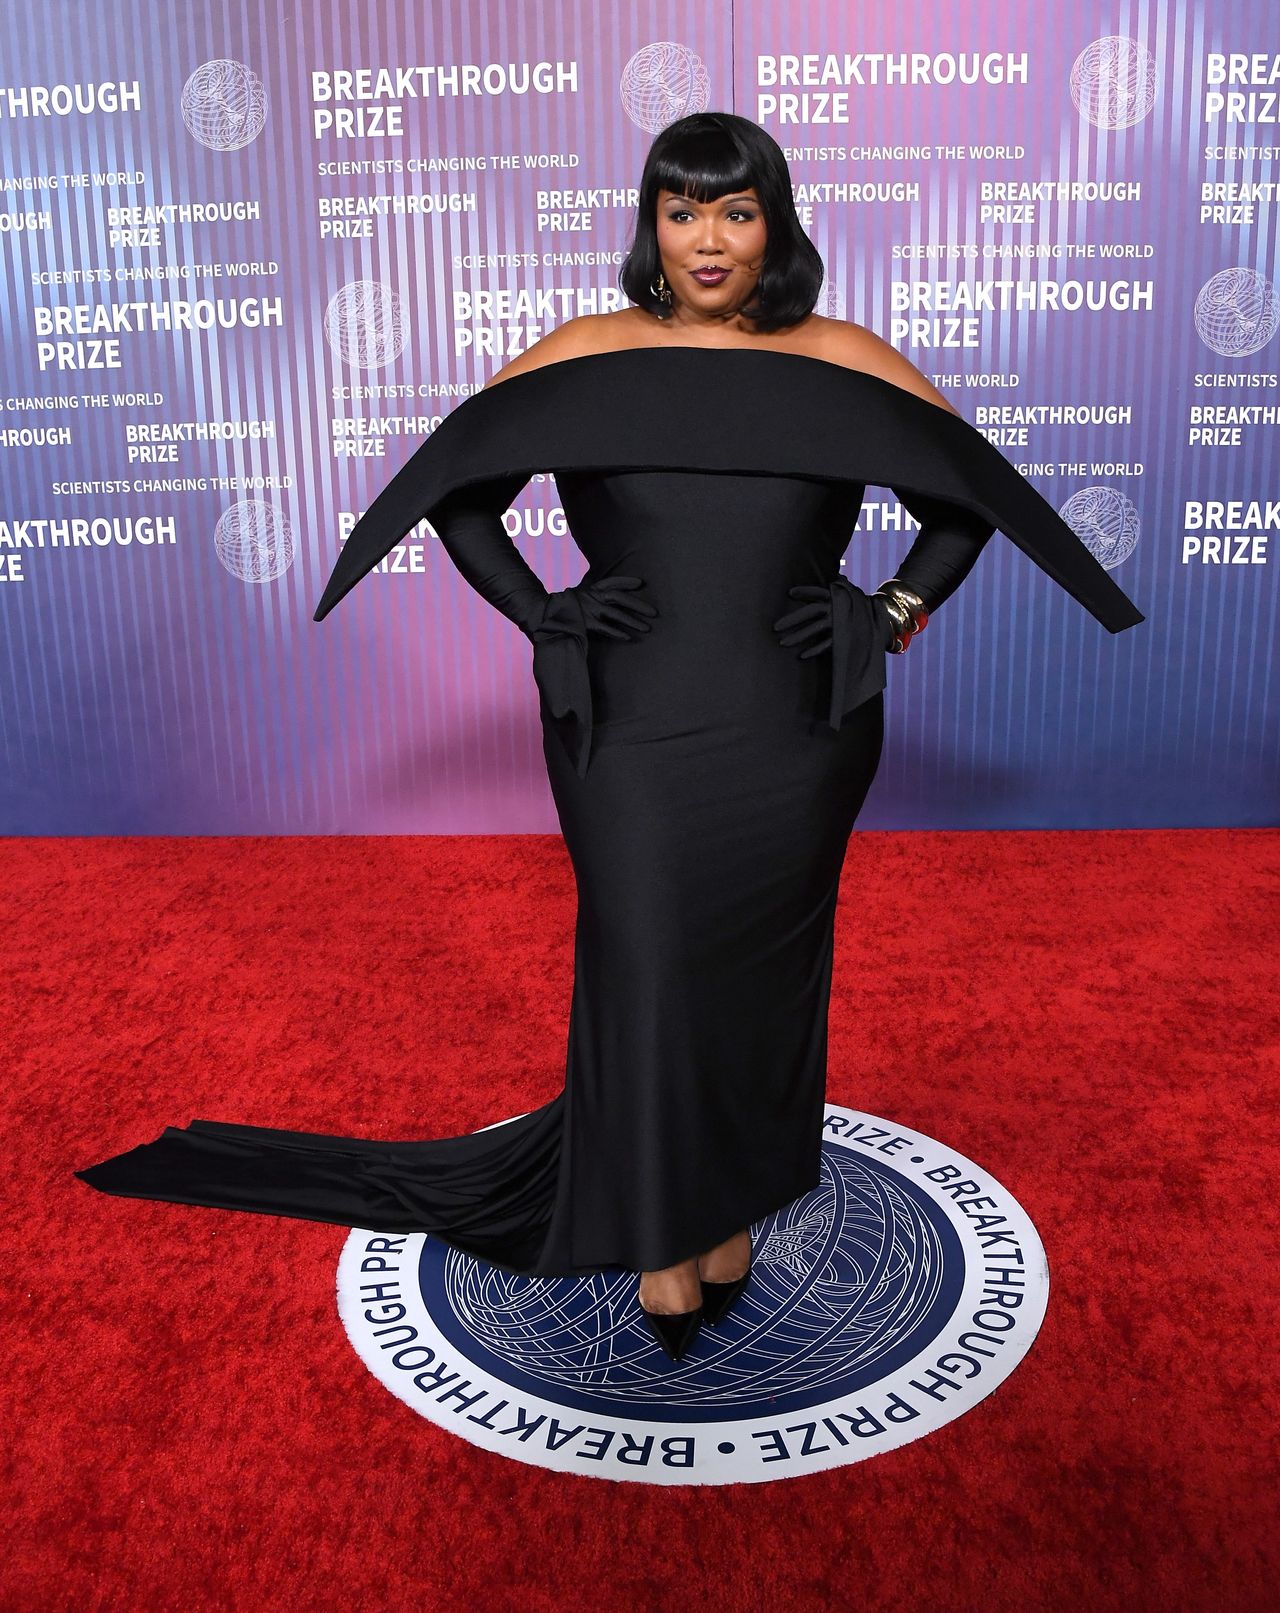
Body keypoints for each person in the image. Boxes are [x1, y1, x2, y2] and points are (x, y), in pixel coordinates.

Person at [74, 113, 1143, 1364]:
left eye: (735, 211)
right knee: (645, 960)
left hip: (797, 725)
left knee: (755, 971)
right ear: (648, 223)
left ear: (776, 224)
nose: (707, 237)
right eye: (681, 209)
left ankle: (724, 1206)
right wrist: (542, 611)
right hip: (627, 719)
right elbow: (455, 490)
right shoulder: (587, 351)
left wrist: (890, 607)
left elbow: (968, 505)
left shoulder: (849, 357)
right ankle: (658, 1236)